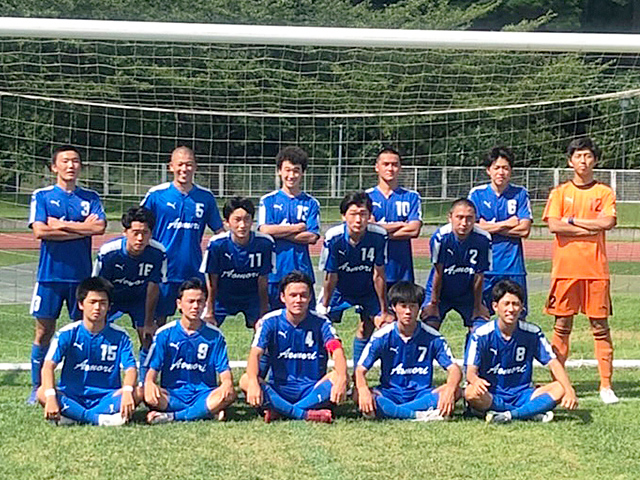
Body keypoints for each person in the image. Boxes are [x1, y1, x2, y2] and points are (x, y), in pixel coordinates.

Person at [27, 145, 107, 403]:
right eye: (65, 161)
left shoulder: (90, 197)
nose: (71, 165)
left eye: (75, 161)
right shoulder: (42, 196)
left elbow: (99, 228)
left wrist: (61, 225)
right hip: (49, 277)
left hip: (81, 279)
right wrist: (82, 228)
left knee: (82, 332)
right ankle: (38, 387)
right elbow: (40, 231)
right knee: (43, 332)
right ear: (54, 167)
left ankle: (76, 384)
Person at [543, 136, 618, 404]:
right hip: (565, 270)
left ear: (594, 160)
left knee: (600, 325)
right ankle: (559, 383)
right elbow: (554, 225)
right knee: (562, 325)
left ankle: (606, 385)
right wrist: (589, 227)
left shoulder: (604, 192)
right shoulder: (559, 192)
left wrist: (573, 221)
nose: (583, 161)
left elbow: (607, 222)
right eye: (578, 156)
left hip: (596, 271)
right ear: (570, 161)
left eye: (588, 156)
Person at [240, 271, 348, 423]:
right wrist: (252, 382)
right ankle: (305, 414)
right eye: (293, 295)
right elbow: (255, 354)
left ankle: (282, 411)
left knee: (340, 375)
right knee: (246, 379)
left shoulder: (321, 322)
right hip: (280, 390)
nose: (298, 300)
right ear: (283, 297)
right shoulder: (270, 321)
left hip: (312, 390)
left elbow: (337, 351)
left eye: (303, 295)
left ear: (310, 297)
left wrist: (342, 379)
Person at [464, 280, 578, 423]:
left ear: (522, 307)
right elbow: (470, 372)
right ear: (495, 306)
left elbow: (553, 363)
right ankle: (530, 412)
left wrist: (569, 390)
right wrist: (476, 381)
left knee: (559, 388)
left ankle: (508, 415)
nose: (511, 309)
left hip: (523, 394)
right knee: (470, 393)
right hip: (493, 394)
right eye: (506, 304)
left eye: (515, 304)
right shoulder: (481, 335)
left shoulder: (532, 332)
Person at [38, 277, 139, 426]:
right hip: (72, 396)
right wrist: (52, 397)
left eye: (102, 303)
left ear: (109, 307)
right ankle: (99, 419)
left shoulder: (120, 335)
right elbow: (48, 367)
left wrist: (128, 390)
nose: (97, 308)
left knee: (138, 392)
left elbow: (131, 368)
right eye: (92, 302)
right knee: (42, 392)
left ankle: (74, 416)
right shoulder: (67, 333)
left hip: (106, 397)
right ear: (81, 304)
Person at [355, 281, 462, 421]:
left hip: (421, 394)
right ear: (394, 307)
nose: (408, 312)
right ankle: (418, 415)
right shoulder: (381, 337)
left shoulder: (433, 337)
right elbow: (360, 370)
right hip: (390, 393)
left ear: (419, 308)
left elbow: (454, 370)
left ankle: (392, 411)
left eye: (413, 306)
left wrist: (450, 389)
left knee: (455, 391)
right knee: (357, 394)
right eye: (403, 306)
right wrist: (363, 390)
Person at [140, 146, 223, 323]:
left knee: (195, 319)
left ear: (195, 167)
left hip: (193, 268)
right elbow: (138, 223)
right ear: (171, 167)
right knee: (158, 321)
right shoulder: (156, 195)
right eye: (180, 164)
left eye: (189, 164)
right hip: (163, 268)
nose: (184, 169)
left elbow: (219, 231)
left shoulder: (205, 197)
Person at [318, 191, 394, 368]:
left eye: (363, 214)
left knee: (385, 326)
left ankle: (360, 373)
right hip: (339, 289)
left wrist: (384, 309)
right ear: (344, 216)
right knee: (318, 324)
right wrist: (325, 305)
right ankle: (319, 372)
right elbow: (331, 275)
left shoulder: (379, 235)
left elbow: (379, 274)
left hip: (367, 290)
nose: (358, 220)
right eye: (353, 214)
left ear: (370, 216)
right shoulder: (334, 237)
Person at [144, 279, 236, 424]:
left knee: (228, 394)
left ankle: (172, 416)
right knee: (149, 395)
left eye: (200, 302)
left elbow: (224, 372)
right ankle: (204, 412)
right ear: (179, 304)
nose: (195, 306)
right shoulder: (164, 333)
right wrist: (149, 383)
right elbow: (152, 369)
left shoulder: (215, 335)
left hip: (204, 394)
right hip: (173, 394)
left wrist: (227, 383)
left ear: (205, 304)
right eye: (190, 301)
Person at [93, 206, 167, 380]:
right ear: (125, 232)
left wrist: (148, 321)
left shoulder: (158, 252)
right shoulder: (109, 253)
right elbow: (98, 287)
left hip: (139, 298)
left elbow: (154, 286)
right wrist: (100, 316)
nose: (140, 238)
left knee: (148, 336)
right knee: (99, 334)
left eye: (145, 233)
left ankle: (144, 382)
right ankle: (101, 377)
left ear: (151, 233)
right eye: (135, 233)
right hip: (112, 298)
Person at [468, 146, 532, 317]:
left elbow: (524, 229)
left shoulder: (520, 193)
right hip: (484, 268)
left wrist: (489, 227)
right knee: (479, 316)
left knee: (517, 317)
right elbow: (472, 228)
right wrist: (508, 224)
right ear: (488, 170)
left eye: (505, 168)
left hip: (513, 267)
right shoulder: (477, 194)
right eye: (496, 168)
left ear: (511, 170)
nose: (501, 172)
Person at [258, 146, 321, 309]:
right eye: (287, 170)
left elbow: (312, 237)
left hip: (302, 271)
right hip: (274, 272)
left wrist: (278, 232)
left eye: (296, 170)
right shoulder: (268, 200)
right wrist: (297, 228)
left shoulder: (311, 203)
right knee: (271, 318)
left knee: (306, 318)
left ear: (303, 173)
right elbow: (265, 230)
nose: (291, 175)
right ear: (279, 171)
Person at [200, 196, 275, 328]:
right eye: (237, 220)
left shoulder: (265, 243)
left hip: (252, 296)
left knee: (265, 327)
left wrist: (263, 313)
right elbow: (212, 280)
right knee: (205, 327)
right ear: (227, 222)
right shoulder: (217, 244)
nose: (242, 225)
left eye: (247, 219)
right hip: (223, 296)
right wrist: (210, 311)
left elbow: (263, 281)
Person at [421, 198, 491, 335]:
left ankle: (471, 349)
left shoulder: (483, 239)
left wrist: (478, 306)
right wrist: (433, 303)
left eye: (469, 218)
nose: (464, 223)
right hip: (441, 292)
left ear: (475, 219)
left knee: (480, 330)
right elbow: (438, 273)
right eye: (459, 217)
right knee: (429, 326)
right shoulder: (441, 238)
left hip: (468, 292)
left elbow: (479, 275)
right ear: (450, 217)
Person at [366, 147, 422, 287]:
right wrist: (401, 224)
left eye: (394, 165)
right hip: (372, 270)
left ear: (400, 168)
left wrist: (378, 230)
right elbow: (365, 229)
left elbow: (414, 230)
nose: (390, 168)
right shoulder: (366, 197)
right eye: (386, 164)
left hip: (402, 270)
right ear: (377, 167)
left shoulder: (411, 197)